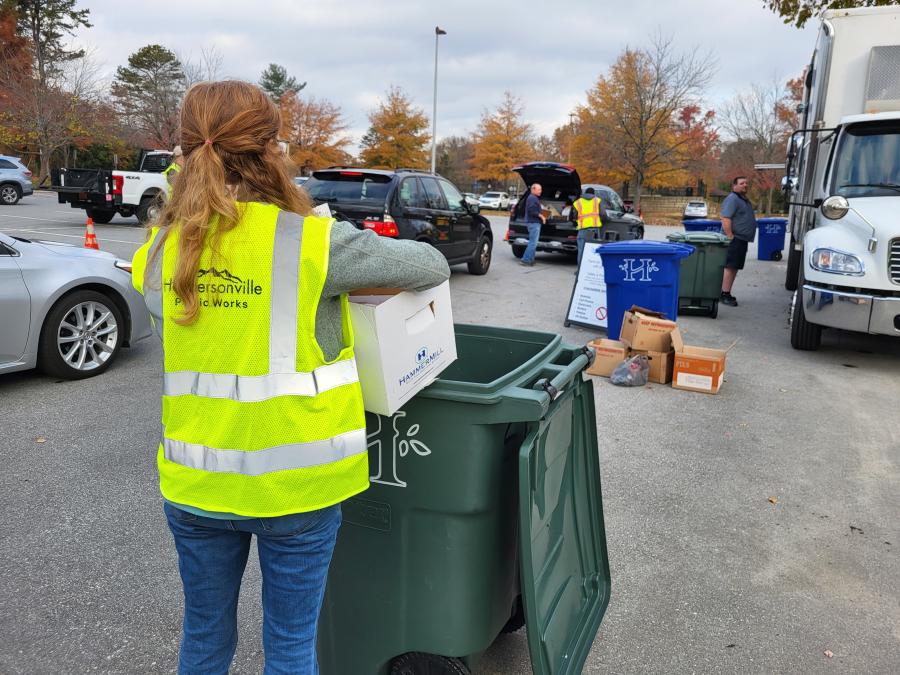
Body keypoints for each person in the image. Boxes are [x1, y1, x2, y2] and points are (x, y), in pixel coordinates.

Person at [130, 80, 450, 675]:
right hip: (299, 488)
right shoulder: (313, 244)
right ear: (270, 150)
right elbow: (428, 265)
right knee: (291, 645)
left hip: (197, 486)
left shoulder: (159, 248)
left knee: (203, 638)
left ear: (184, 150)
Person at [720, 176, 756, 307]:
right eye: (742, 183)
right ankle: (724, 294)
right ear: (734, 185)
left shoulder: (742, 199)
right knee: (730, 267)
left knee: (734, 267)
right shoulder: (733, 198)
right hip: (735, 239)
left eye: (746, 183)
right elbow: (725, 218)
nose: (745, 185)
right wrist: (730, 235)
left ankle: (726, 292)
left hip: (741, 239)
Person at [573, 187, 604, 265]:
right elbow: (603, 214)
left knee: (581, 250)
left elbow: (574, 216)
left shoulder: (578, 202)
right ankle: (590, 270)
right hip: (594, 230)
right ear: (593, 194)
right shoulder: (597, 201)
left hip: (582, 229)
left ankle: (579, 271)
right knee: (594, 250)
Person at [520, 182, 545, 267]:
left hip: (533, 222)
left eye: (540, 189)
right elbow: (531, 211)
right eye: (539, 189)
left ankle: (531, 260)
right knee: (533, 243)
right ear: (533, 189)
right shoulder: (532, 198)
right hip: (533, 223)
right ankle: (525, 260)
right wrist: (541, 215)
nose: (541, 191)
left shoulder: (533, 198)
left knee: (533, 242)